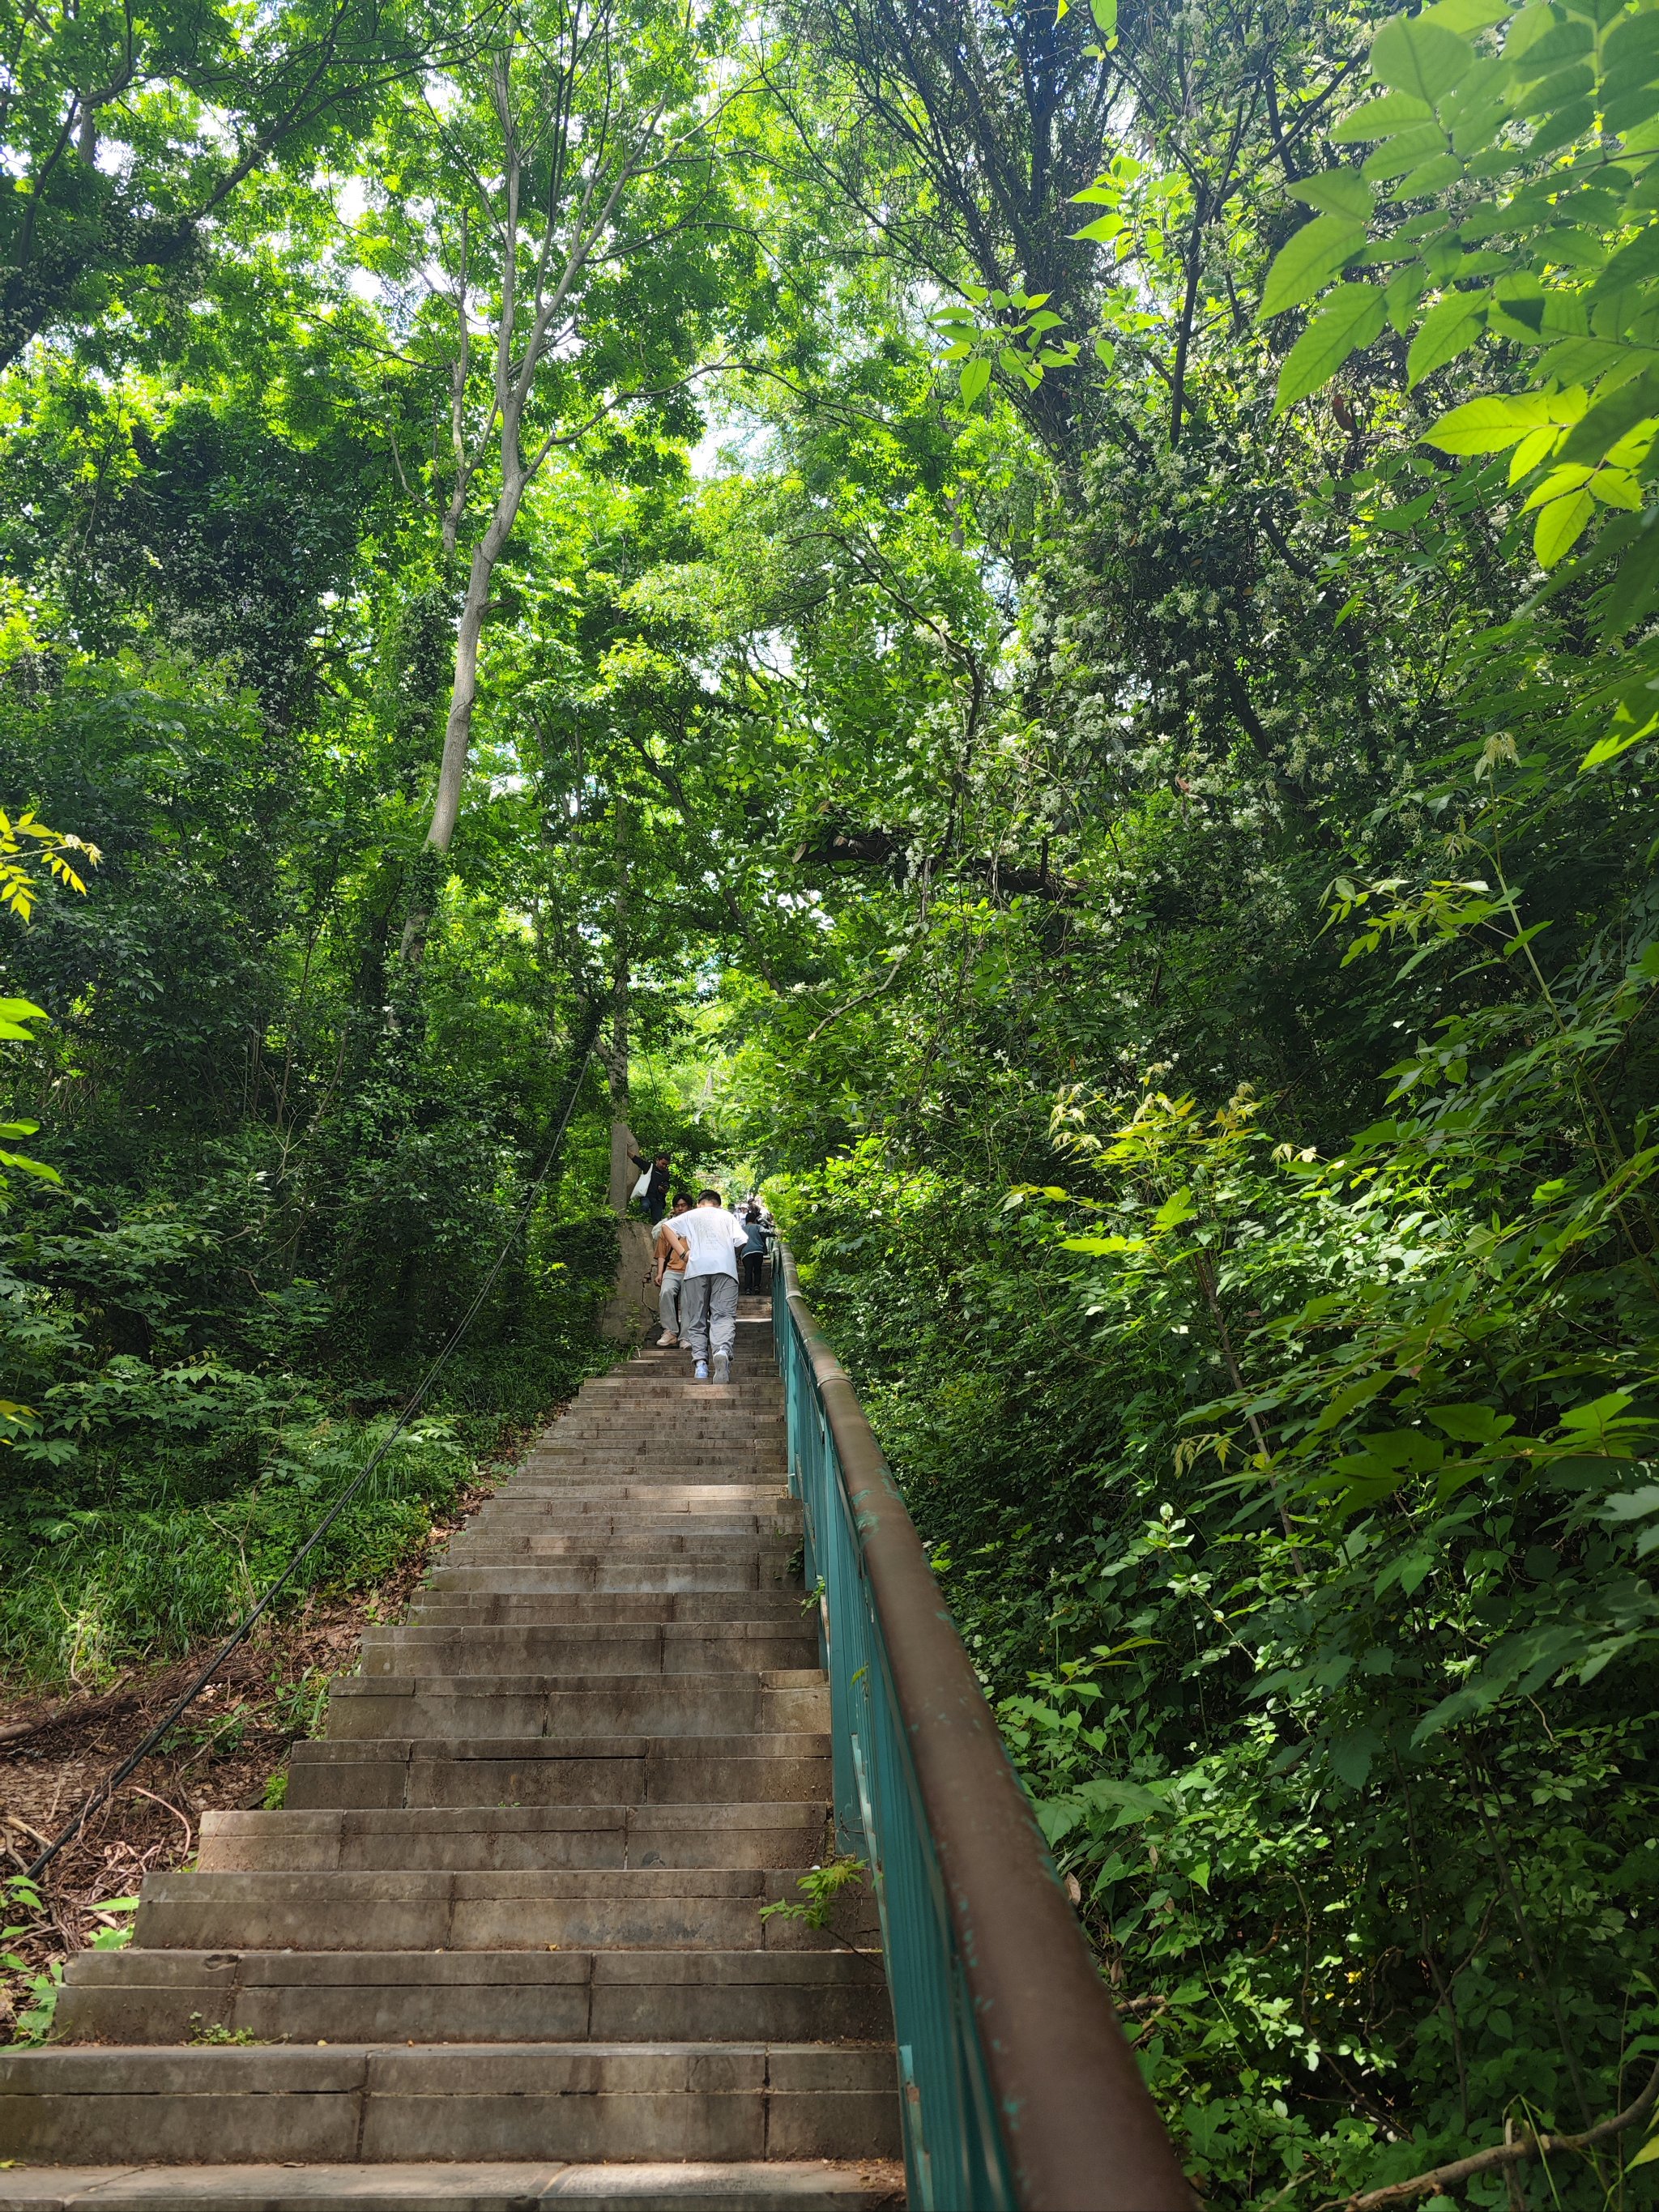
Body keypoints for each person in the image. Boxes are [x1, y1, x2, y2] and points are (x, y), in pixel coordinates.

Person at [674, 1188, 748, 1383]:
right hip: (725, 1269)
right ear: (718, 1204)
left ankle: (700, 1365)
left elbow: (667, 1229)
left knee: (697, 1318)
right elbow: (743, 1240)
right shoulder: (726, 1216)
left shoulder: (691, 1215)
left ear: (699, 1204)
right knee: (722, 1315)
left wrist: (683, 1253)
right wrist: (733, 1253)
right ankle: (722, 1350)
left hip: (696, 1269)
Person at [652, 1193, 693, 1345]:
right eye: (677, 1206)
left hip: (691, 1271)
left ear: (690, 1207)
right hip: (672, 1269)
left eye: (683, 1205)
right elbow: (662, 1254)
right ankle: (670, 1332)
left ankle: (686, 1336)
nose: (680, 1208)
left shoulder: (695, 1225)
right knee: (666, 1292)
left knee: (688, 1300)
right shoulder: (668, 1228)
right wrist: (659, 1273)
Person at [629, 1145, 672, 1225]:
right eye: (663, 1163)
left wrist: (664, 1189)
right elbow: (637, 1160)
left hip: (658, 1200)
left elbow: (667, 1185)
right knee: (644, 1207)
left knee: (657, 1221)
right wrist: (626, 1151)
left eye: (666, 1165)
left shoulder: (666, 1174)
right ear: (657, 1160)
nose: (664, 1166)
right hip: (646, 1196)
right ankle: (635, 1222)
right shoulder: (649, 1167)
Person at [739, 1203, 768, 1296]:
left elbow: (738, 1242)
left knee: (748, 1270)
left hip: (746, 1252)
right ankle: (757, 1287)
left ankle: (748, 1288)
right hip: (758, 1251)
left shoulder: (742, 1229)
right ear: (754, 1220)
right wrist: (776, 1233)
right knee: (757, 1269)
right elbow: (767, 1232)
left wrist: (737, 1256)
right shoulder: (758, 1227)